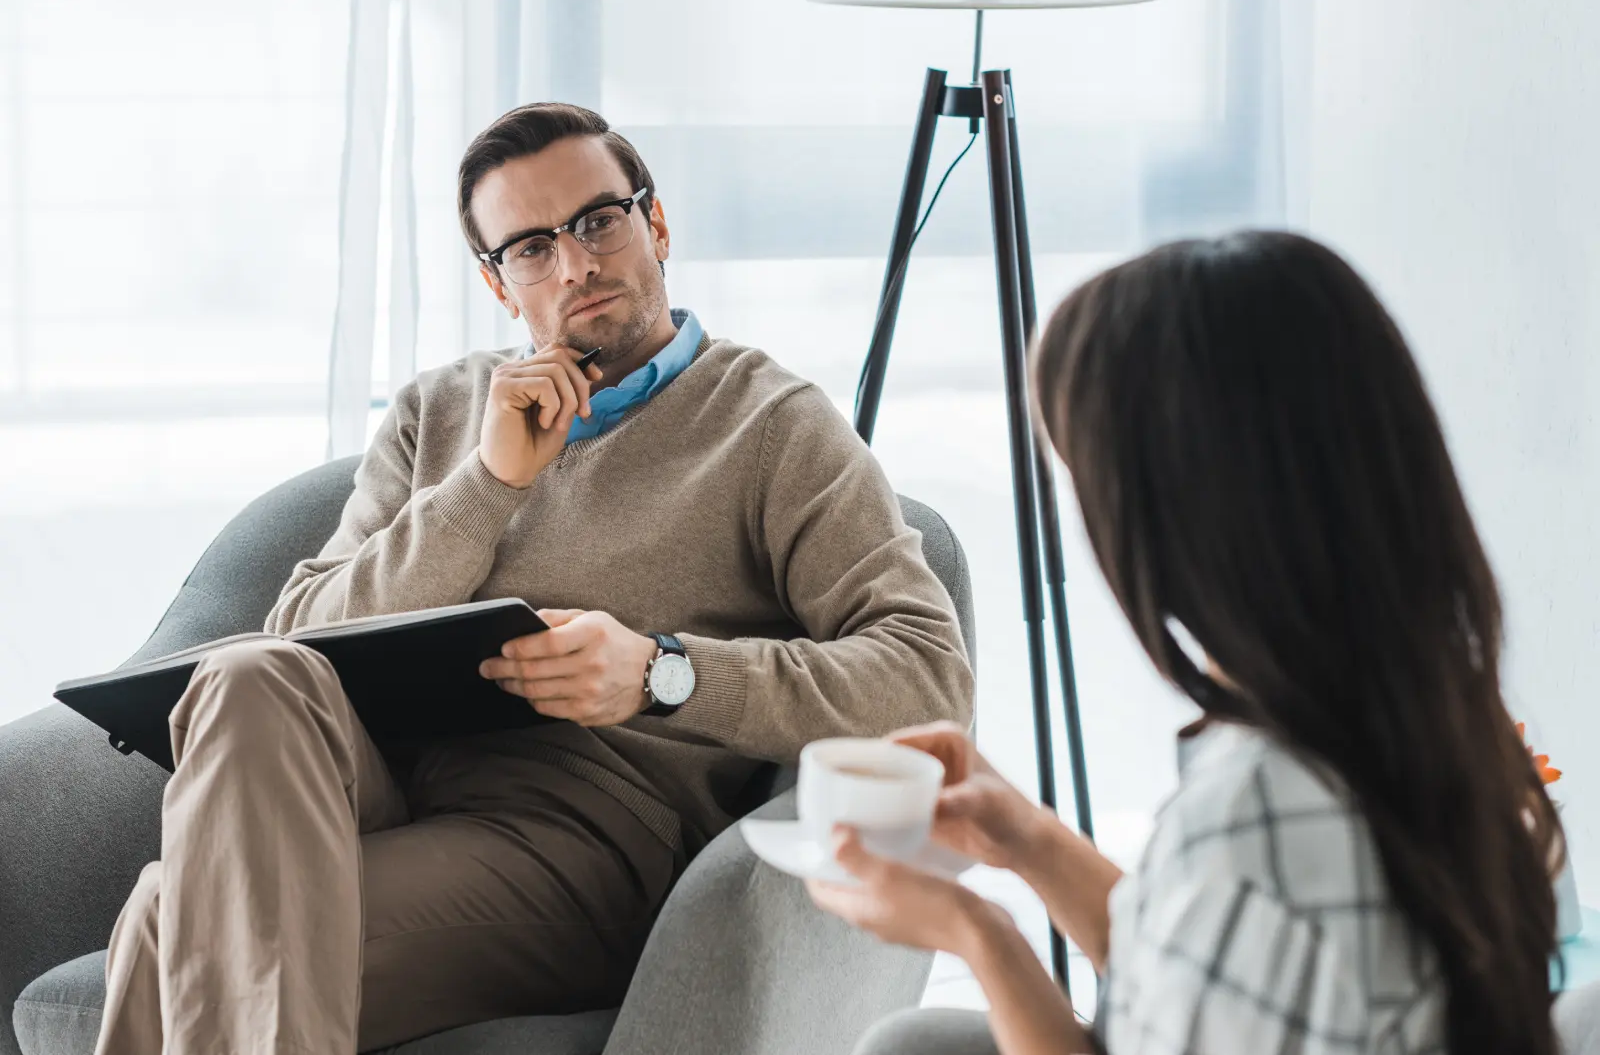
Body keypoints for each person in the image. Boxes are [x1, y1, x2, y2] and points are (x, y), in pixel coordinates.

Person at [94, 102, 974, 1055]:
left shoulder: (773, 425)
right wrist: (488, 484)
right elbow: (298, 631)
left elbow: (929, 677)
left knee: (169, 920)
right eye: (530, 248)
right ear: (497, 280)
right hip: (376, 788)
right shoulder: (440, 411)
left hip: (580, 840)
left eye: (599, 221)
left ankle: (194, 910)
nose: (577, 266)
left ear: (657, 224)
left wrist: (661, 672)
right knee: (246, 677)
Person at [808, 232, 1561, 1055]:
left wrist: (979, 934)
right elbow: (1214, 975)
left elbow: (1235, 923)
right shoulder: (1422, 716)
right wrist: (1025, 838)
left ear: (1183, 518)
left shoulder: (1255, 819)